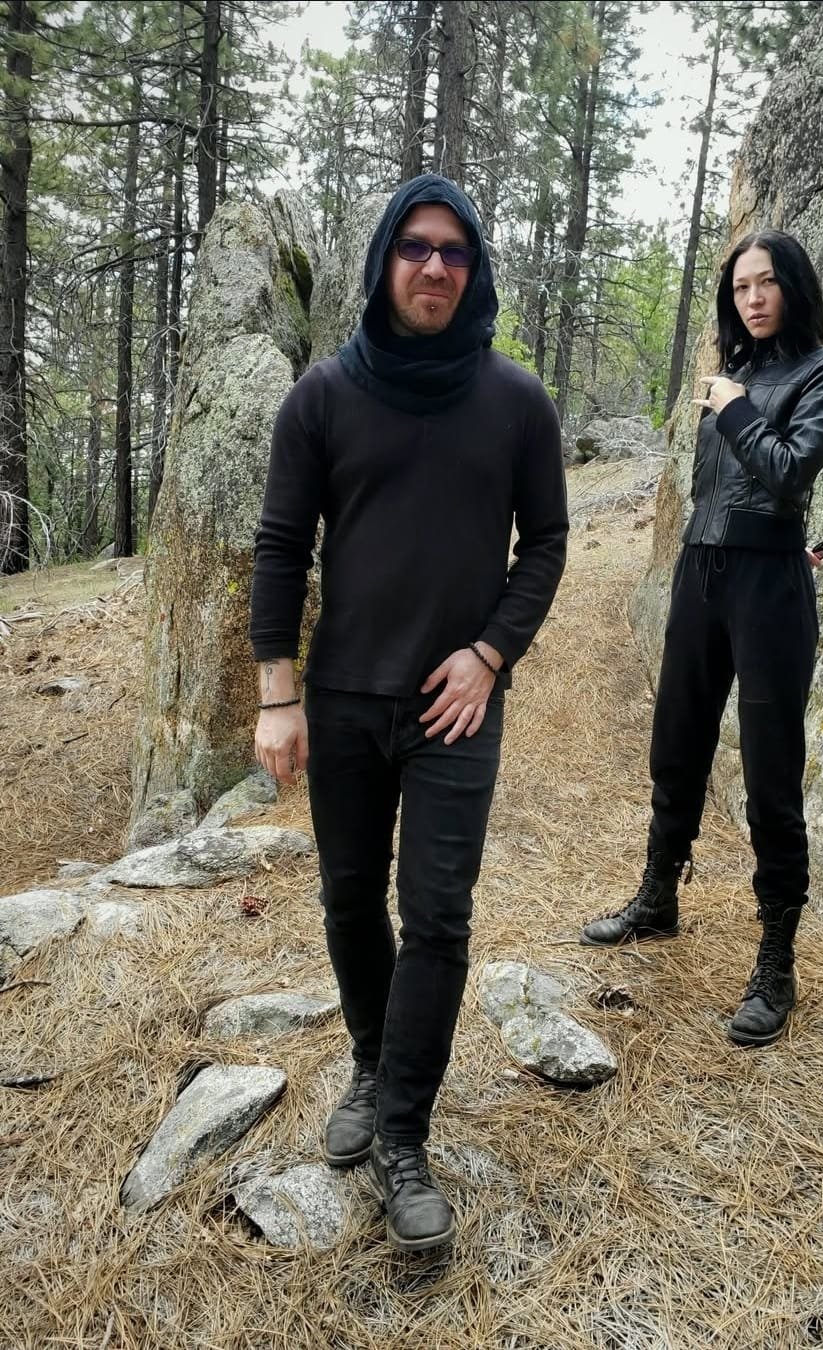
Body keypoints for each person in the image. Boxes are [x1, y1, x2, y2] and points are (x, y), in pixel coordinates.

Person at [249, 174, 568, 1252]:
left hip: (454, 711)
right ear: (385, 259)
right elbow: (283, 548)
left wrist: (487, 654)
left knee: (436, 915)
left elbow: (549, 545)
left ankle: (400, 1134)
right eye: (416, 248)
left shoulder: (515, 402)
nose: (435, 267)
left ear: (473, 271)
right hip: (340, 702)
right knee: (349, 900)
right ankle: (370, 1059)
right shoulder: (324, 397)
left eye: (455, 253)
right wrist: (277, 697)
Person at [580, 229, 823, 1049]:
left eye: (767, 282)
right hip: (701, 578)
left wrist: (732, 409)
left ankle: (776, 959)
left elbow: (786, 472)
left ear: (794, 288)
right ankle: (657, 898)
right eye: (740, 287)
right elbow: (717, 489)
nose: (752, 298)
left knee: (771, 770)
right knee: (676, 745)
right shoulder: (732, 375)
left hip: (768, 588)